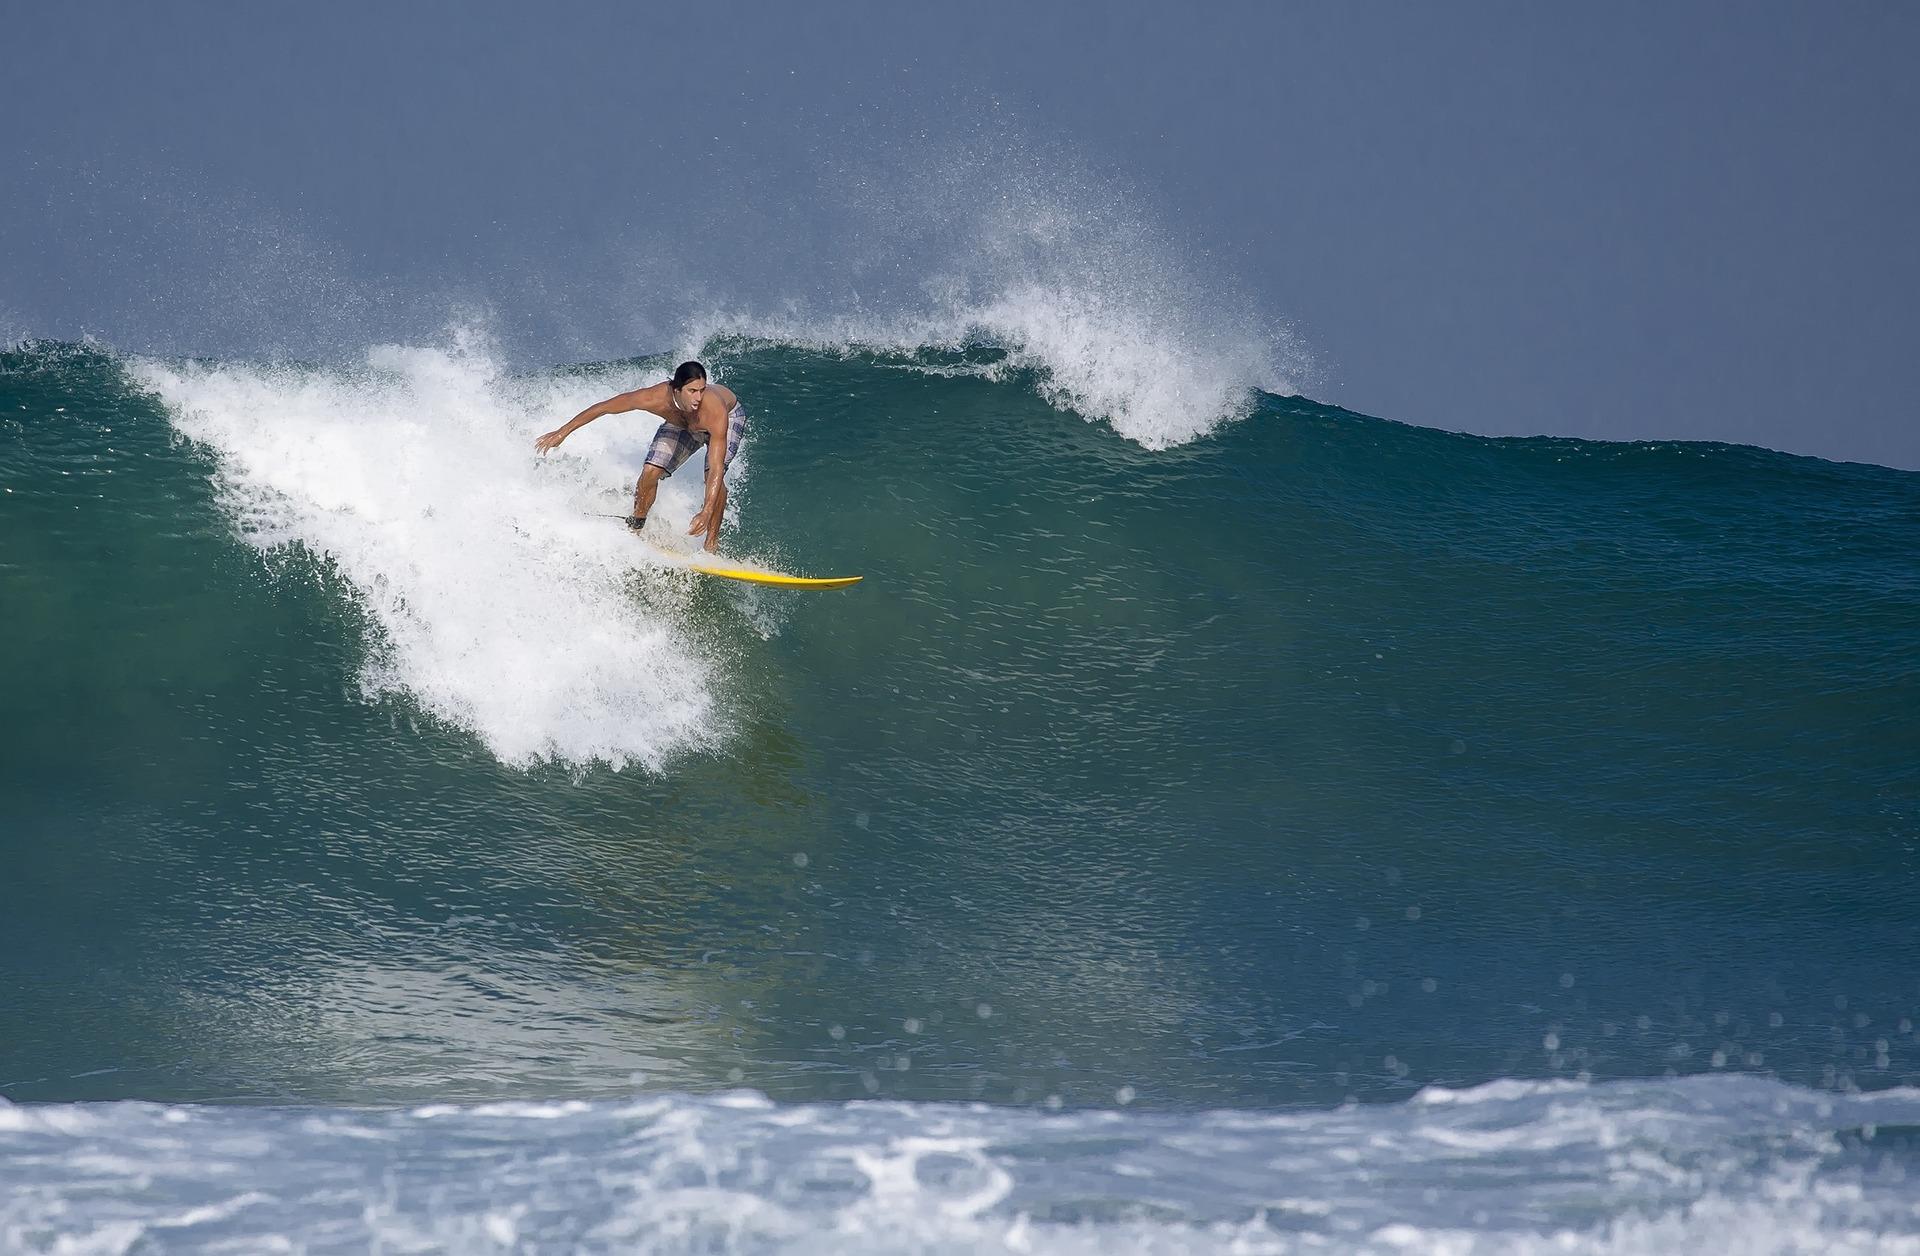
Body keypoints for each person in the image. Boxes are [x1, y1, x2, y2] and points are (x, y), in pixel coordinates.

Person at [533, 360, 745, 553]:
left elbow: (716, 466)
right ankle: (637, 525)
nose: (698, 397)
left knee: (713, 478)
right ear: (676, 389)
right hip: (682, 424)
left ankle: (711, 544)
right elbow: (604, 408)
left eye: (701, 390)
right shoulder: (654, 398)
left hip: (728, 418)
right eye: (692, 391)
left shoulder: (713, 407)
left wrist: (706, 511)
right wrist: (562, 432)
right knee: (650, 471)